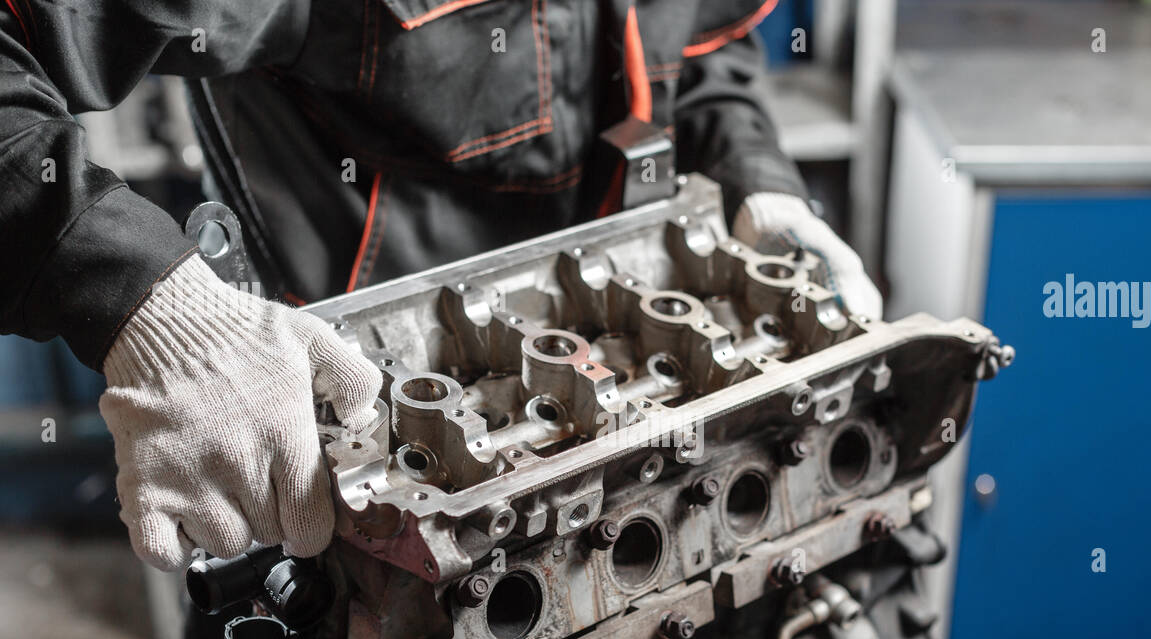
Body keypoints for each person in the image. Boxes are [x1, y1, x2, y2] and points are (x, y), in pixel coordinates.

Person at [1, 0, 880, 570]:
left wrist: (753, 176)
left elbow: (708, 45)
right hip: (337, 470)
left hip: (638, 431)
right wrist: (149, 304)